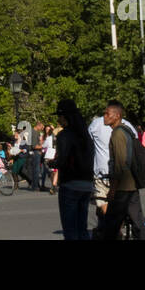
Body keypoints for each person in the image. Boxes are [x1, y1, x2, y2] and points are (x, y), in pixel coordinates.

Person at [53, 99, 95, 240]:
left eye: (60, 116)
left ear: (65, 117)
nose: (58, 120)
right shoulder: (85, 135)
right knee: (82, 227)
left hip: (70, 183)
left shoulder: (64, 135)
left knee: (70, 229)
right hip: (87, 183)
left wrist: (53, 163)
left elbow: (62, 160)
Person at [98, 103, 141, 240]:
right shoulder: (127, 130)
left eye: (107, 113)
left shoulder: (117, 134)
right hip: (131, 184)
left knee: (111, 226)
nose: (104, 116)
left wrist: (113, 189)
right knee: (137, 223)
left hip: (122, 187)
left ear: (117, 116)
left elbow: (120, 164)